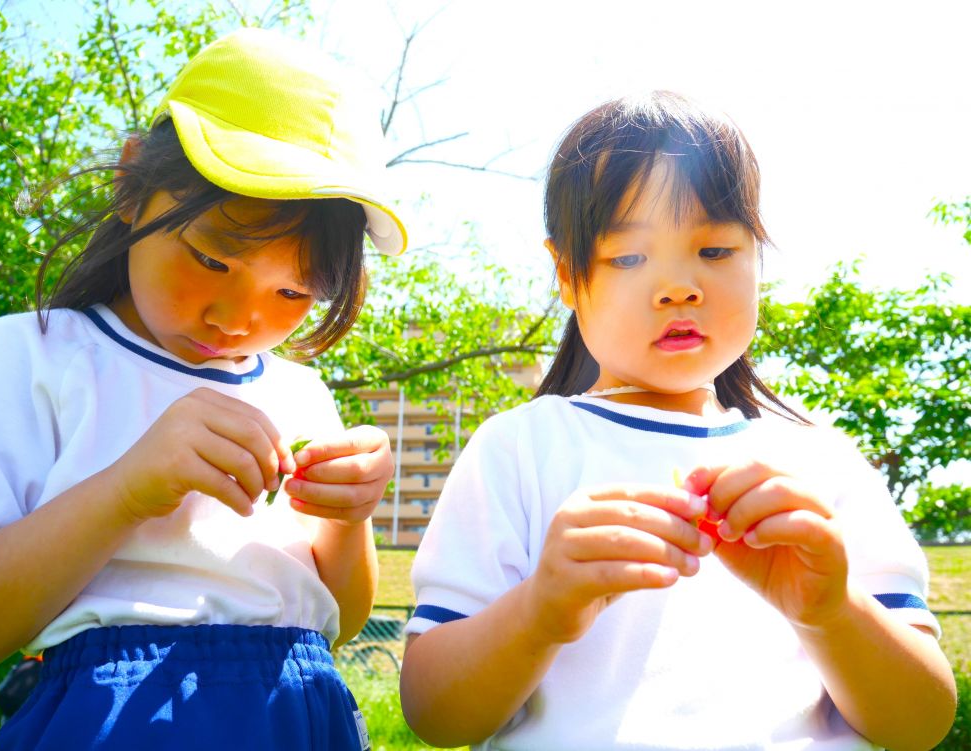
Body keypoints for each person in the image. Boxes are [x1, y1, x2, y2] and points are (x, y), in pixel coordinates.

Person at [399, 92, 957, 750]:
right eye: (629, 257)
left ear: (757, 258)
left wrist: (832, 609)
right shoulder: (520, 447)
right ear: (568, 276)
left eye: (716, 250)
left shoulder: (820, 464)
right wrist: (539, 610)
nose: (677, 286)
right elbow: (435, 713)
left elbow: (921, 721)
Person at [0, 28, 407, 751]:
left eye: (294, 290)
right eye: (210, 257)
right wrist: (128, 489)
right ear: (130, 184)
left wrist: (347, 515)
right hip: (108, 718)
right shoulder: (32, 355)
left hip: (298, 712)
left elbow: (343, 616)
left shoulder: (298, 391)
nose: (237, 319)